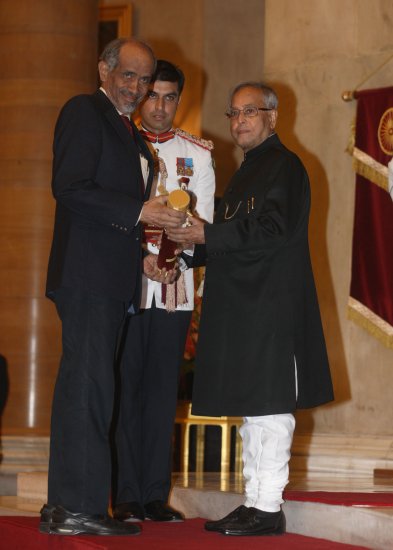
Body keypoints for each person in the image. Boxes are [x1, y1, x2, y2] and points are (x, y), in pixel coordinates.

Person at [166, 82, 334, 536]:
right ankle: (254, 499)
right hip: (245, 306)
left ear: (273, 118)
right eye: (234, 113)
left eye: (250, 111)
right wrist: (185, 250)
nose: (240, 120)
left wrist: (208, 237)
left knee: (271, 408)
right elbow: (229, 233)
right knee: (252, 411)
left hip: (273, 306)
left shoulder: (286, 166)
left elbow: (272, 228)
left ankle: (268, 505)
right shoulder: (246, 172)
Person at [40, 38, 186, 537]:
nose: (137, 88)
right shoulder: (85, 111)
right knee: (89, 390)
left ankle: (67, 506)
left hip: (109, 278)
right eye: (129, 75)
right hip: (86, 278)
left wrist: (144, 260)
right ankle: (77, 507)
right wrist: (140, 211)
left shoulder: (129, 134)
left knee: (91, 390)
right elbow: (71, 187)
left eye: (144, 80)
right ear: (104, 69)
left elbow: (111, 219)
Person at [113, 60, 215, 523]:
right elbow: (113, 216)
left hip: (174, 287)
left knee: (160, 391)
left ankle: (155, 493)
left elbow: (203, 225)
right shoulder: (119, 142)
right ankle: (125, 492)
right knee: (124, 387)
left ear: (180, 100)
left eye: (170, 97)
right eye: (153, 94)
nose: (160, 105)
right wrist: (141, 258)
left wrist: (174, 261)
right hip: (126, 283)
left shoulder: (199, 153)